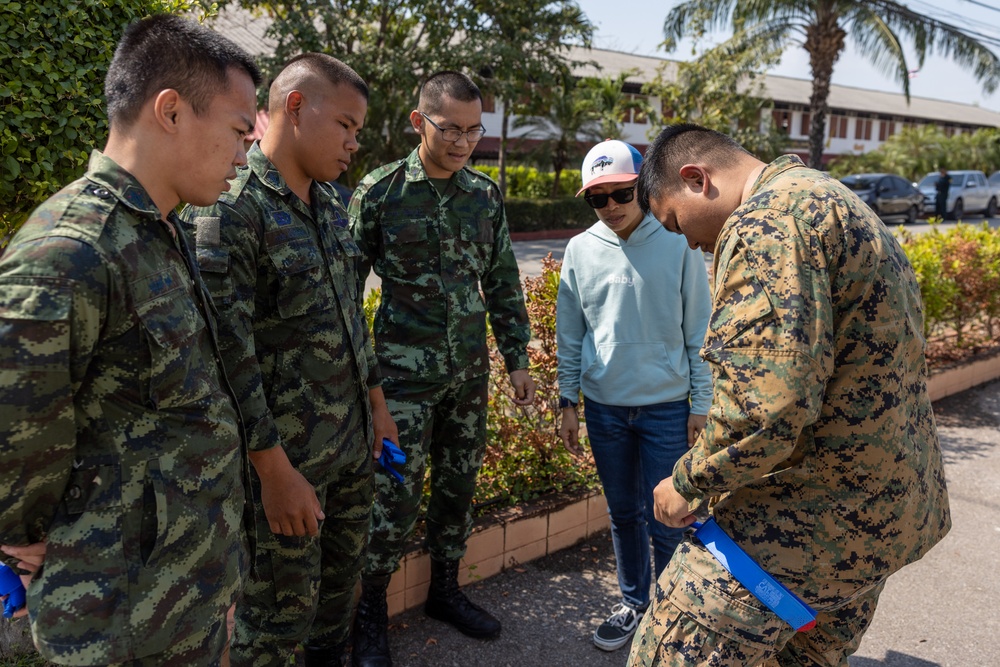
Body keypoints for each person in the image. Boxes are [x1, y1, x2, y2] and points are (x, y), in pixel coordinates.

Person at [628, 123, 951, 667]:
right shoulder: (831, 197)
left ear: (695, 179)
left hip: (802, 523)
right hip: (882, 517)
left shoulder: (767, 222)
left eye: (675, 221)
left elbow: (767, 403)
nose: (686, 241)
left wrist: (686, 483)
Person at [0, 14, 261, 665]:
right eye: (237, 131)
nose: (245, 153)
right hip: (114, 620)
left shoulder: (161, 229)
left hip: (182, 597)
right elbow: (15, 430)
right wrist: (19, 538)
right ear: (170, 110)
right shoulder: (70, 248)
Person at [180, 53, 395, 667]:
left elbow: (353, 321)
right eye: (347, 126)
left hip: (350, 449)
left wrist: (378, 410)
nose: (355, 142)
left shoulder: (330, 202)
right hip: (286, 469)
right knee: (274, 623)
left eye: (359, 130)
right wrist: (272, 473)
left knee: (334, 605)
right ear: (296, 106)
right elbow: (228, 358)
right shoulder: (232, 208)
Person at [348, 70, 536, 666]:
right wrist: (360, 380)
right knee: (394, 493)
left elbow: (503, 280)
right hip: (399, 386)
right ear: (418, 122)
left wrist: (516, 358)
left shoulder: (484, 194)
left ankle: (445, 592)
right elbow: (345, 293)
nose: (462, 142)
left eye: (473, 130)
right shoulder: (378, 194)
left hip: (467, 379)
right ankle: (369, 612)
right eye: (449, 128)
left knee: (458, 487)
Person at [556, 139, 713, 652]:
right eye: (597, 198)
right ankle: (635, 603)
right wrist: (568, 401)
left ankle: (673, 613)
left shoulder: (678, 242)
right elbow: (571, 333)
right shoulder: (581, 250)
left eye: (622, 192)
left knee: (669, 517)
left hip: (667, 408)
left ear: (643, 188)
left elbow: (699, 332)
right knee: (623, 513)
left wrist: (701, 405)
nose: (611, 206)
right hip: (604, 410)